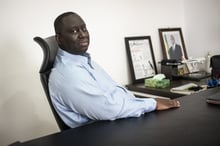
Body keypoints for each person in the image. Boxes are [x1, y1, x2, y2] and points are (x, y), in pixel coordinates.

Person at [49, 12, 180, 128]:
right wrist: (152, 104)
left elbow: (115, 93)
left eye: (84, 29)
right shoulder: (67, 74)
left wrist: (144, 103)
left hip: (120, 122)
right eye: (74, 31)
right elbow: (107, 109)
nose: (83, 35)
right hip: (104, 133)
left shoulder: (85, 61)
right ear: (59, 39)